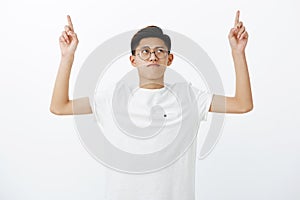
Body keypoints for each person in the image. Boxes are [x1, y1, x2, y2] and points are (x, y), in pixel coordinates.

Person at [50, 11, 253, 200]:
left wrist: (238, 53)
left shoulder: (189, 96)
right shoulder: (112, 97)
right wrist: (67, 56)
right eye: (145, 51)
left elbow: (242, 104)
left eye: (159, 51)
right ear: (133, 60)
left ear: (169, 59)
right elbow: (60, 106)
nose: (153, 56)